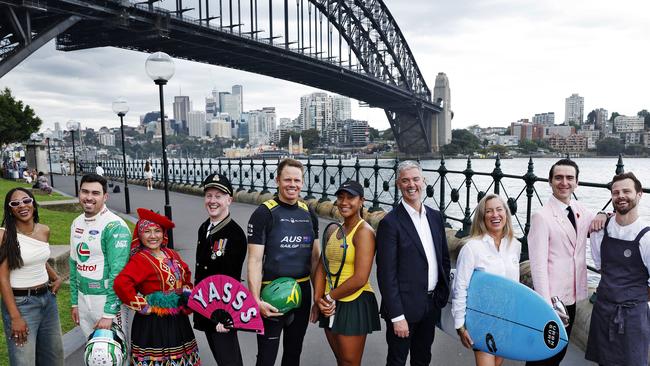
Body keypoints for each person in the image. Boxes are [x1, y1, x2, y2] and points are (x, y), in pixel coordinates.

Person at [526, 159, 606, 366]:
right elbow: (538, 265)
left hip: (570, 298)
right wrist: (546, 304)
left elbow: (603, 221)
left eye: (570, 178)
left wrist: (603, 213)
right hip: (552, 300)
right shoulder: (541, 217)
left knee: (558, 352)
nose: (564, 182)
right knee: (543, 355)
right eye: (558, 177)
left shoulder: (579, 209)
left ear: (577, 183)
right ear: (550, 182)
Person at [376, 160, 451, 366]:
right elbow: (386, 275)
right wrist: (397, 316)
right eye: (406, 180)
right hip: (403, 309)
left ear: (424, 181)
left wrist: (441, 297)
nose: (412, 185)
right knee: (397, 360)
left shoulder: (435, 217)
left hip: (430, 304)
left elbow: (443, 259)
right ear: (398, 184)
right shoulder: (390, 223)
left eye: (416, 179)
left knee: (423, 358)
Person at [247, 158, 320, 366]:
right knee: (266, 357)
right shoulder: (264, 213)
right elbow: (254, 260)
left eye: (297, 180)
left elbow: (315, 258)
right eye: (287, 179)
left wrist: (317, 296)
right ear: (278, 180)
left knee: (293, 354)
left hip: (302, 292)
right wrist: (255, 300)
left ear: (303, 183)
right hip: (272, 293)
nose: (293, 184)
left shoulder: (309, 214)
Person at [114, 208, 200, 365]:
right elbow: (121, 283)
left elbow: (186, 273)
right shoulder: (140, 259)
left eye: (157, 231)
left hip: (178, 319)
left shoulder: (172, 254)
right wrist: (143, 305)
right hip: (153, 322)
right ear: (140, 235)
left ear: (163, 233)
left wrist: (187, 294)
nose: (153, 236)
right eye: (147, 231)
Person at [313, 180, 381, 366]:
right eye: (341, 197)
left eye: (350, 197)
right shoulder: (335, 230)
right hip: (330, 301)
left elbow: (360, 278)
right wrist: (317, 299)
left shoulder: (364, 232)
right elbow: (321, 266)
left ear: (361, 201)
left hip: (353, 301)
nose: (344, 202)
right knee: (341, 359)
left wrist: (327, 297)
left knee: (350, 362)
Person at [585, 172, 650, 366]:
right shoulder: (600, 230)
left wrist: (631, 298)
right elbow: (600, 266)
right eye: (616, 192)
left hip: (633, 316)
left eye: (626, 191)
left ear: (639, 195)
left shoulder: (646, 236)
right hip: (603, 310)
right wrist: (602, 214)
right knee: (603, 362)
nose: (620, 196)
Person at [452, 194, 521, 366]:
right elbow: (460, 288)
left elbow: (515, 287)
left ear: (506, 213)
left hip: (507, 319)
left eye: (499, 210)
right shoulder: (471, 248)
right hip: (482, 319)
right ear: (482, 217)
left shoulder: (515, 245)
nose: (495, 215)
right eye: (488, 211)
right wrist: (460, 326)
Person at [0, 188, 64, 366]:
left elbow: (38, 258)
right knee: (24, 361)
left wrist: (55, 277)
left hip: (48, 301)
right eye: (15, 203)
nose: (22, 205)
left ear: (33, 204)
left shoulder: (44, 230)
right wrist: (15, 317)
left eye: (26, 200)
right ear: (10, 209)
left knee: (54, 358)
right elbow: (2, 278)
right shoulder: (4, 235)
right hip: (21, 304)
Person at [194, 173, 247, 366]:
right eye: (209, 195)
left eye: (218, 196)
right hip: (206, 308)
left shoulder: (235, 234)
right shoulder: (204, 228)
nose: (212, 201)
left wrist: (223, 317)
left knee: (229, 361)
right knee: (222, 359)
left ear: (229, 200)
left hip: (221, 313)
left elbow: (231, 280)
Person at [69, 173, 131, 337]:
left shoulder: (115, 226)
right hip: (83, 302)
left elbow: (118, 274)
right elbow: (74, 265)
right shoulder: (76, 222)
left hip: (105, 303)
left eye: (95, 193)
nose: (89, 197)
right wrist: (75, 303)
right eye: (85, 191)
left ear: (105, 197)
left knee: (113, 356)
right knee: (92, 356)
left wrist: (109, 314)